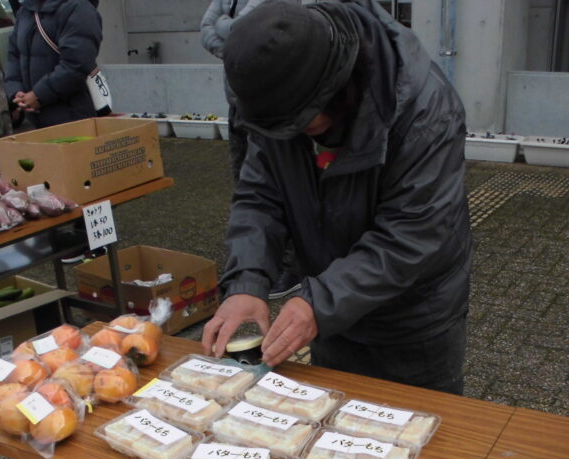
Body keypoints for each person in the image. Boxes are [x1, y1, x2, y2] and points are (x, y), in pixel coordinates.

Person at [201, 0, 472, 395]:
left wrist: (318, 303)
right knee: (328, 417)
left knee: (428, 425)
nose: (296, 136)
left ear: (341, 89)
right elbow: (259, 195)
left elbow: (411, 235)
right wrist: (246, 281)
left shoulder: (426, 111)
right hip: (332, 316)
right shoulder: (276, 103)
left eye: (306, 126)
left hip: (414, 320)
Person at [200, 0, 302, 299]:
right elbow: (207, 30)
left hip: (271, 103)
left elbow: (242, 31)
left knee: (280, 186)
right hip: (237, 104)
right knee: (247, 187)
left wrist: (231, 34)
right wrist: (238, 45)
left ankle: (290, 266)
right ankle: (252, 265)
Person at [5, 0, 103, 130]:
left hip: (72, 117)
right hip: (35, 119)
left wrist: (38, 95)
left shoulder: (79, 9)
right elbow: (14, 55)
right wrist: (16, 92)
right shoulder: (26, 10)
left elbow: (77, 64)